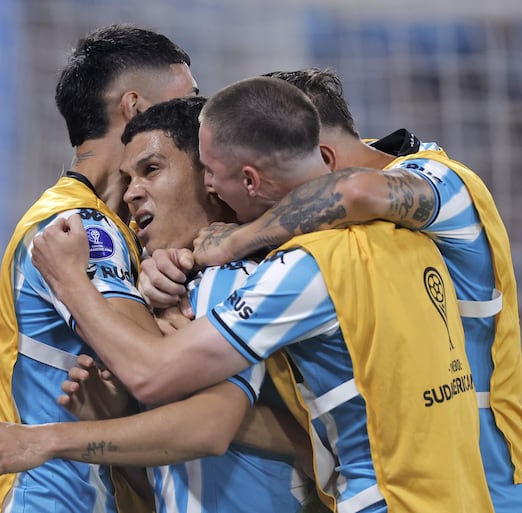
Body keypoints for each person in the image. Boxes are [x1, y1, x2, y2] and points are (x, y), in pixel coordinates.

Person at [28, 76, 493, 512]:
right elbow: (301, 434)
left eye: (211, 171)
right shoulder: (410, 234)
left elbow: (187, 404)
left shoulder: (294, 270)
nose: (212, 185)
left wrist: (71, 284)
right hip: (475, 486)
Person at [147, 68, 520, 513]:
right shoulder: (333, 238)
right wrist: (168, 272)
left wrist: (231, 242)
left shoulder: (442, 185)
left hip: (489, 483)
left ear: (321, 157)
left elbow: (354, 192)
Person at [0, 96, 320, 513]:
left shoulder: (235, 278)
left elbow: (208, 426)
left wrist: (48, 439)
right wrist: (114, 417)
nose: (131, 193)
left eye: (151, 169)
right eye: (128, 178)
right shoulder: (190, 283)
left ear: (211, 175)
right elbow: (174, 479)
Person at [0, 24, 198, 513]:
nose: (197, 119)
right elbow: (153, 368)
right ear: (135, 109)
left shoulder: (105, 225)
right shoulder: (81, 228)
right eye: (186, 101)